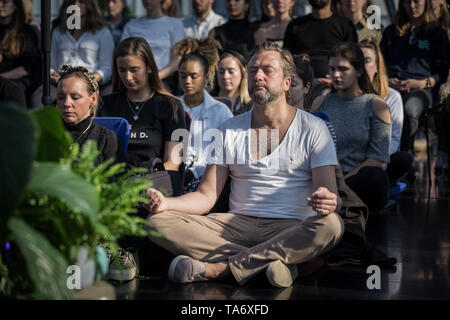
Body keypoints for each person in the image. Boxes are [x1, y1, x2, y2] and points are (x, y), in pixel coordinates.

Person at [145, 42, 344, 288]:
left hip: (289, 227)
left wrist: (328, 199)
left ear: (286, 82)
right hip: (234, 225)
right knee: (157, 222)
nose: (258, 76)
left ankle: (220, 269)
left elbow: (331, 196)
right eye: (252, 70)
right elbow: (206, 196)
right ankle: (271, 263)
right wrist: (167, 204)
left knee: (332, 225)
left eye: (267, 70)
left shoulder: (314, 128)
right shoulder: (228, 129)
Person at [311, 42, 392, 212]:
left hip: (357, 178)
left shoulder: (376, 104)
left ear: (359, 71)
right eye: (332, 69)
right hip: (325, 178)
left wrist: (343, 184)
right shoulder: (321, 102)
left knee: (376, 177)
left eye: (343, 69)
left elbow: (377, 160)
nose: (336, 75)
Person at [99, 37, 186, 177]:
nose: (127, 77)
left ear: (149, 67)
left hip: (153, 186)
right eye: (122, 70)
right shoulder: (104, 105)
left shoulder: (171, 105)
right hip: (112, 187)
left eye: (134, 70)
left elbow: (173, 163)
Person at [380, 0, 449, 152]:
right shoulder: (391, 32)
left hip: (423, 89)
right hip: (392, 87)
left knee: (410, 108)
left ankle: (406, 156)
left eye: (416, 1)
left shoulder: (438, 33)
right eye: (406, 2)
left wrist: (422, 83)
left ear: (426, 3)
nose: (411, 6)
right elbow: (380, 65)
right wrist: (387, 81)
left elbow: (442, 73)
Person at [31, 0, 114, 108]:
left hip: (93, 83)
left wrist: (88, 79)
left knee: (108, 97)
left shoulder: (102, 32)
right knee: (38, 96)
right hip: (60, 83)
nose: (76, 5)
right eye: (72, 1)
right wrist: (52, 74)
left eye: (82, 2)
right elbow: (50, 63)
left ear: (90, 5)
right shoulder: (58, 32)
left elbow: (106, 68)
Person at [174, 38, 233, 192]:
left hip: (210, 183)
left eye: (194, 76)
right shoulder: (171, 108)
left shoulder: (221, 111)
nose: (187, 81)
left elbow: (228, 155)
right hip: (176, 179)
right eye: (182, 76)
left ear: (206, 77)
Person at [360, 39, 413, 184]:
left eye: (367, 60)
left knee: (403, 159)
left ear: (376, 66)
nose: (362, 65)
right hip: (353, 158)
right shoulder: (346, 95)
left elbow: (394, 139)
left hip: (380, 159)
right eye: (358, 60)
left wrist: (372, 160)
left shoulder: (392, 97)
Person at [56, 65, 123, 165]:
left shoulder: (105, 138)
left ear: (93, 99)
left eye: (75, 97)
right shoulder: (47, 135)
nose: (66, 103)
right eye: (61, 97)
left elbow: (114, 177)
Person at [283, 0, 358, 81]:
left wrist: (337, 81)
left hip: (336, 85)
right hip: (302, 85)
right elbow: (287, 60)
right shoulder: (295, 25)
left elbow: (353, 61)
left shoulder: (346, 25)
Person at [121, 0, 185, 91]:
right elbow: (122, 55)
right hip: (132, 77)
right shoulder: (131, 25)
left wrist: (155, 78)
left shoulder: (175, 24)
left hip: (163, 78)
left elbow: (176, 61)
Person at [0, 0, 41, 107]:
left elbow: (26, 68)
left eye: (5, 2)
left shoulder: (26, 32)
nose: (0, 5)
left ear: (15, 5)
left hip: (17, 80)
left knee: (11, 89)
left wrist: (2, 76)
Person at [216, 50, 253, 115]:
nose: (225, 76)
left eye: (231, 72)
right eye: (221, 72)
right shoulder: (208, 101)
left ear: (242, 73)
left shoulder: (250, 106)